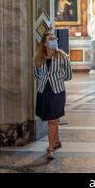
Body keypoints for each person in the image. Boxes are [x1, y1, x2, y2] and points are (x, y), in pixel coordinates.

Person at [34, 32, 72, 160]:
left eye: (55, 38)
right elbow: (36, 74)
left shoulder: (63, 57)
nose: (55, 39)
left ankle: (50, 148)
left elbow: (68, 75)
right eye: (51, 39)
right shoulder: (39, 58)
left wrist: (56, 79)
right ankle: (57, 141)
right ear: (45, 44)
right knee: (50, 118)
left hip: (57, 91)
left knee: (53, 120)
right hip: (44, 91)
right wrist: (46, 79)